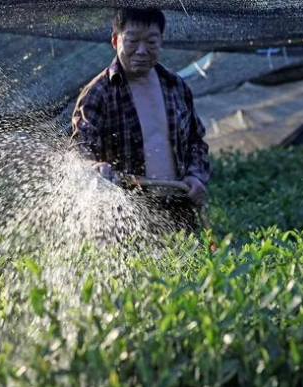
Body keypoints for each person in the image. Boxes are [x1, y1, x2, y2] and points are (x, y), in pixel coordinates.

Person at [70, 7, 211, 233]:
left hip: (178, 209)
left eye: (151, 42)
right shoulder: (99, 93)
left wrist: (196, 176)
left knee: (185, 266)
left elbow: (196, 141)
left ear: (161, 42)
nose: (142, 51)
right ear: (115, 40)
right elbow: (80, 147)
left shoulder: (176, 86)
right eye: (132, 41)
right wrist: (92, 166)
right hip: (125, 214)